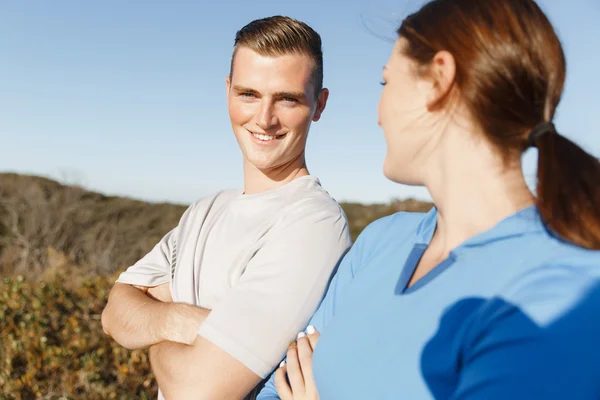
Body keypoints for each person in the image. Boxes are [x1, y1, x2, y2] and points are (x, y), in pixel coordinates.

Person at [258, 0, 600, 399]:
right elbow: (279, 384)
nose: (378, 114)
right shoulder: (381, 241)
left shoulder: (562, 293)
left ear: (439, 79)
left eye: (386, 83)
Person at [101, 15, 352, 400]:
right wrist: (185, 323)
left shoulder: (312, 222)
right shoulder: (205, 211)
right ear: (227, 91)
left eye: (287, 98)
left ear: (319, 105)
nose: (264, 119)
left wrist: (153, 329)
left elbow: (195, 390)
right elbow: (115, 313)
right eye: (248, 94)